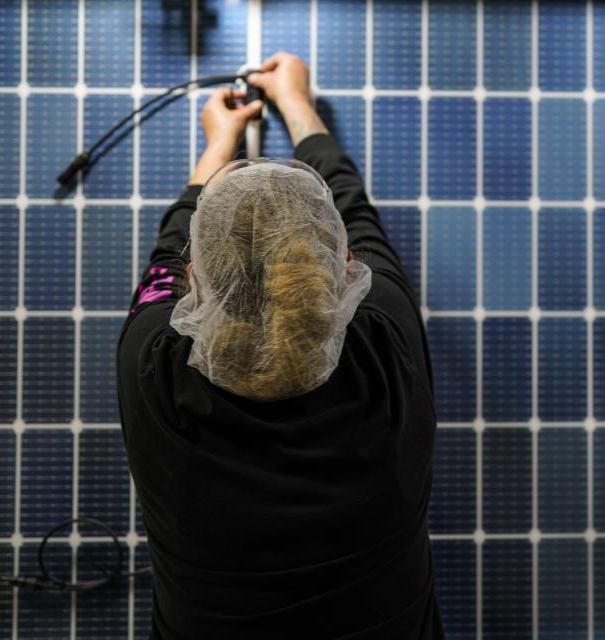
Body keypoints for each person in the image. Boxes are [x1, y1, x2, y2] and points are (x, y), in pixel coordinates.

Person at [116, 51, 445, 639]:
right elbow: (357, 211)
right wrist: (298, 105)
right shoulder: (384, 341)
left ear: (195, 279)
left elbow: (167, 252)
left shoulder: (153, 365)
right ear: (346, 266)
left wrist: (220, 142)